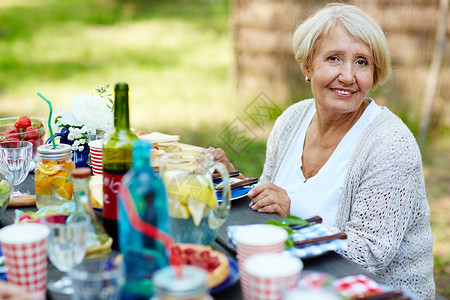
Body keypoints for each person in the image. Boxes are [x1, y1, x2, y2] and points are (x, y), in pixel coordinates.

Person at [207, 3, 435, 299]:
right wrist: (231, 178)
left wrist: (293, 221)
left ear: (375, 73)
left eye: (362, 62)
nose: (348, 75)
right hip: (299, 282)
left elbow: (370, 257)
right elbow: (269, 200)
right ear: (307, 66)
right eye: (334, 58)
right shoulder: (291, 119)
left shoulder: (390, 144)